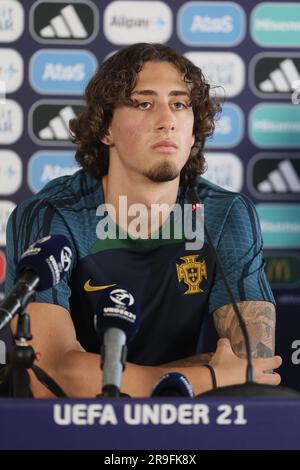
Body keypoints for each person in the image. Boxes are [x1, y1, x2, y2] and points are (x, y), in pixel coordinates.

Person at [4, 43, 281, 398]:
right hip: (72, 430)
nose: (167, 120)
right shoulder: (52, 215)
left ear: (194, 128)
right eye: (144, 103)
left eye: (180, 104)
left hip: (182, 425)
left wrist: (105, 375)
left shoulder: (225, 214)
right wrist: (207, 375)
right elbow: (54, 380)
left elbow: (254, 367)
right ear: (105, 128)